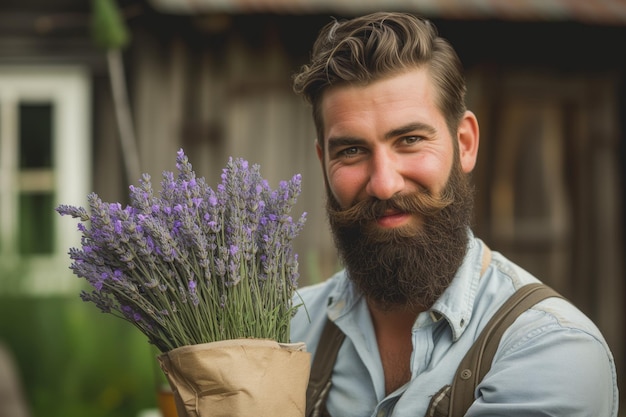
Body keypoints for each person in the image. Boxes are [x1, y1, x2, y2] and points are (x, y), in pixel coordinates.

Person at [290, 11, 618, 417]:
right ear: (323, 161)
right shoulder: (287, 329)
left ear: (464, 143)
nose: (384, 184)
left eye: (409, 140)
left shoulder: (552, 349)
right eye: (352, 151)